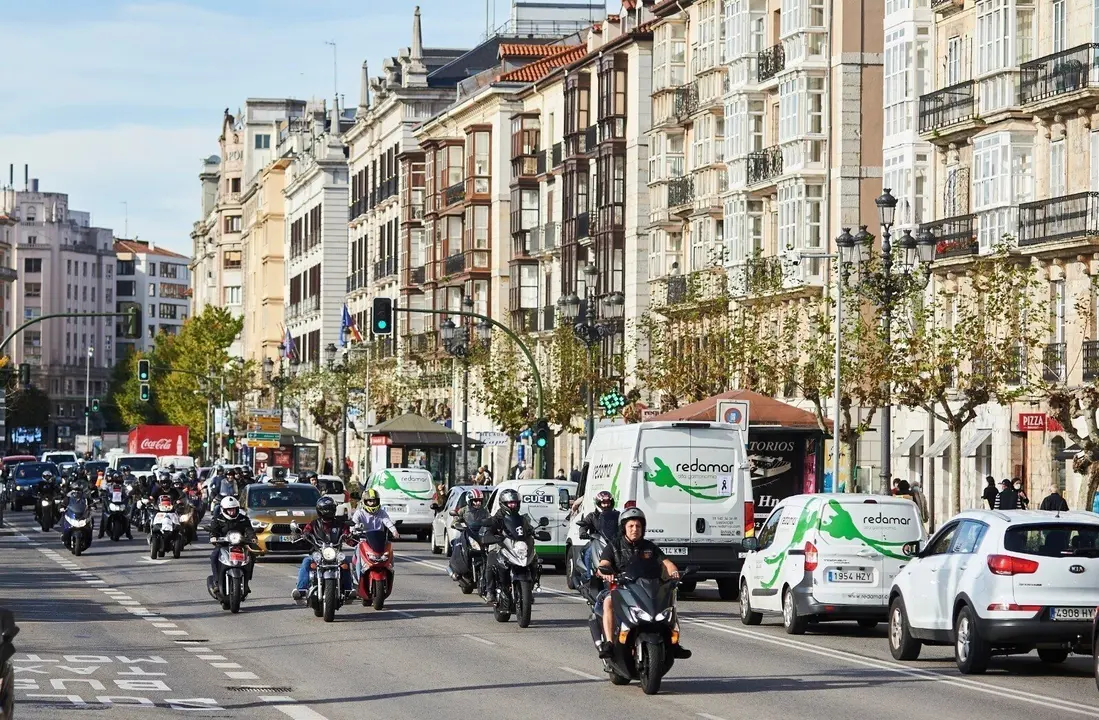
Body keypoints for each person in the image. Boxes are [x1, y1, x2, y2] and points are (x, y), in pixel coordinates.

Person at [594, 507, 690, 660]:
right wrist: (606, 572)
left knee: (669, 603)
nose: (635, 529)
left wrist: (674, 573)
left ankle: (674, 643)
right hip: (621, 587)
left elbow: (666, 563)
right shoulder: (613, 546)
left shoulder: (649, 547)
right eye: (631, 526)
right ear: (624, 528)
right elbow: (604, 563)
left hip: (645, 588)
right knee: (608, 602)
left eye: (638, 526)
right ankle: (609, 643)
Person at [292, 497, 355, 604]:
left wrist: (350, 537)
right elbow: (306, 531)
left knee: (345, 564)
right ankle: (301, 590)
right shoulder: (314, 524)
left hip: (335, 554)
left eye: (330, 509)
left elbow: (348, 536)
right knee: (306, 562)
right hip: (318, 553)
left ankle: (348, 590)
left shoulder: (340, 525)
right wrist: (304, 535)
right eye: (325, 509)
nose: (328, 512)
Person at [482, 489, 534, 600]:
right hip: (499, 544)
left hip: (516, 546)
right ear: (503, 504)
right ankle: (490, 591)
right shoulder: (497, 517)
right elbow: (490, 529)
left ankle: (530, 587)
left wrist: (533, 532)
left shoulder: (521, 518)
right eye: (510, 503)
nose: (513, 505)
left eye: (515, 503)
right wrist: (490, 536)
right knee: (491, 561)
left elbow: (527, 529)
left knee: (534, 559)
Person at [206, 496, 257, 599]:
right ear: (223, 510)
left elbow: (249, 530)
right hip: (223, 544)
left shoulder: (243, 519)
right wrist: (213, 537)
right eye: (229, 510)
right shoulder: (218, 518)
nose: (231, 512)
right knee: (214, 556)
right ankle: (216, 582)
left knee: (252, 555)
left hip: (240, 544)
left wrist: (252, 537)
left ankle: (247, 581)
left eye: (233, 509)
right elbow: (213, 530)